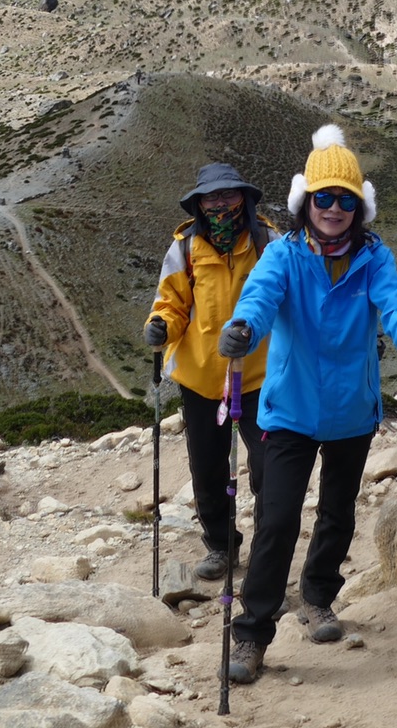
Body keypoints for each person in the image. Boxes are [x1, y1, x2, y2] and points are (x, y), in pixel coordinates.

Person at [216, 124, 397, 684]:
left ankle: (318, 598)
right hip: (289, 411)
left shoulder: (374, 258)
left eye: (346, 199)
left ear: (359, 206)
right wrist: (243, 328)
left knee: (338, 514)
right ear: (306, 202)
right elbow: (260, 298)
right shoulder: (284, 256)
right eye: (324, 197)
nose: (335, 209)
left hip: (350, 412)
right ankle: (251, 636)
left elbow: (395, 307)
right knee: (277, 520)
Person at [143, 162, 276, 580]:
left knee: (270, 466)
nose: (220, 204)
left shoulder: (267, 242)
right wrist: (161, 326)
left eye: (228, 195)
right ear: (199, 203)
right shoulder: (184, 248)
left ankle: (267, 549)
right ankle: (221, 546)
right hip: (202, 378)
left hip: (260, 375)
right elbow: (172, 302)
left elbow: (284, 301)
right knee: (207, 468)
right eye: (211, 198)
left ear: (245, 198)